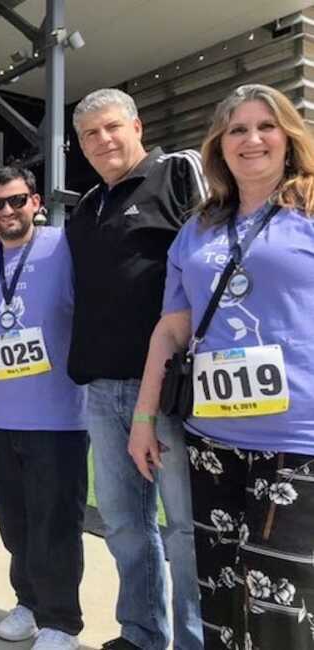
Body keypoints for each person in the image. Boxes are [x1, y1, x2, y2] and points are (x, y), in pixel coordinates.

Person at [130, 84, 314, 650]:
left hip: (297, 440)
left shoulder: (309, 208)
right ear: (219, 145)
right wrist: (142, 418)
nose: (251, 139)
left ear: (289, 138)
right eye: (236, 129)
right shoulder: (198, 228)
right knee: (221, 596)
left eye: (265, 126)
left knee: (282, 603)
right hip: (212, 439)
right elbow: (172, 328)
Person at [67, 88, 204, 650]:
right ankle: (142, 633)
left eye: (111, 127)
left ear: (137, 126)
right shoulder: (85, 205)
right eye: (89, 135)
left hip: (173, 390)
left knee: (185, 532)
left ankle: (195, 640)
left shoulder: (178, 175)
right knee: (125, 526)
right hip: (103, 390)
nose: (102, 141)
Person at [0, 167, 87, 650]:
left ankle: (62, 621)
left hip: (59, 417)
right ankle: (29, 602)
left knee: (55, 521)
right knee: (15, 521)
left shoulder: (66, 247)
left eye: (17, 200)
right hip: (0, 416)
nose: (8, 211)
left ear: (35, 200)